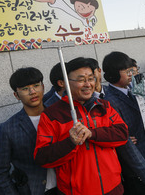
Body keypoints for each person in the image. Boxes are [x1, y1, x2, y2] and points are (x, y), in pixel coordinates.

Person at [34, 57, 128, 195]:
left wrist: (92, 133)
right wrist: (70, 142)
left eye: (90, 78)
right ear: (65, 83)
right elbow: (41, 157)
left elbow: (122, 134)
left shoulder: (104, 105)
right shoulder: (51, 115)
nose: (88, 84)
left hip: (113, 188)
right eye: (81, 80)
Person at [103, 51, 145, 195]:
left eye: (132, 69)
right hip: (138, 170)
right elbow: (126, 144)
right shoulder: (110, 101)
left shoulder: (136, 89)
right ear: (113, 74)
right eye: (126, 70)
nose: (131, 73)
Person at [0, 67, 57, 194]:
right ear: (16, 95)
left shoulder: (59, 115)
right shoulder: (7, 129)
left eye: (36, 85)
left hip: (66, 186)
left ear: (43, 87)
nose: (32, 92)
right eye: (25, 89)